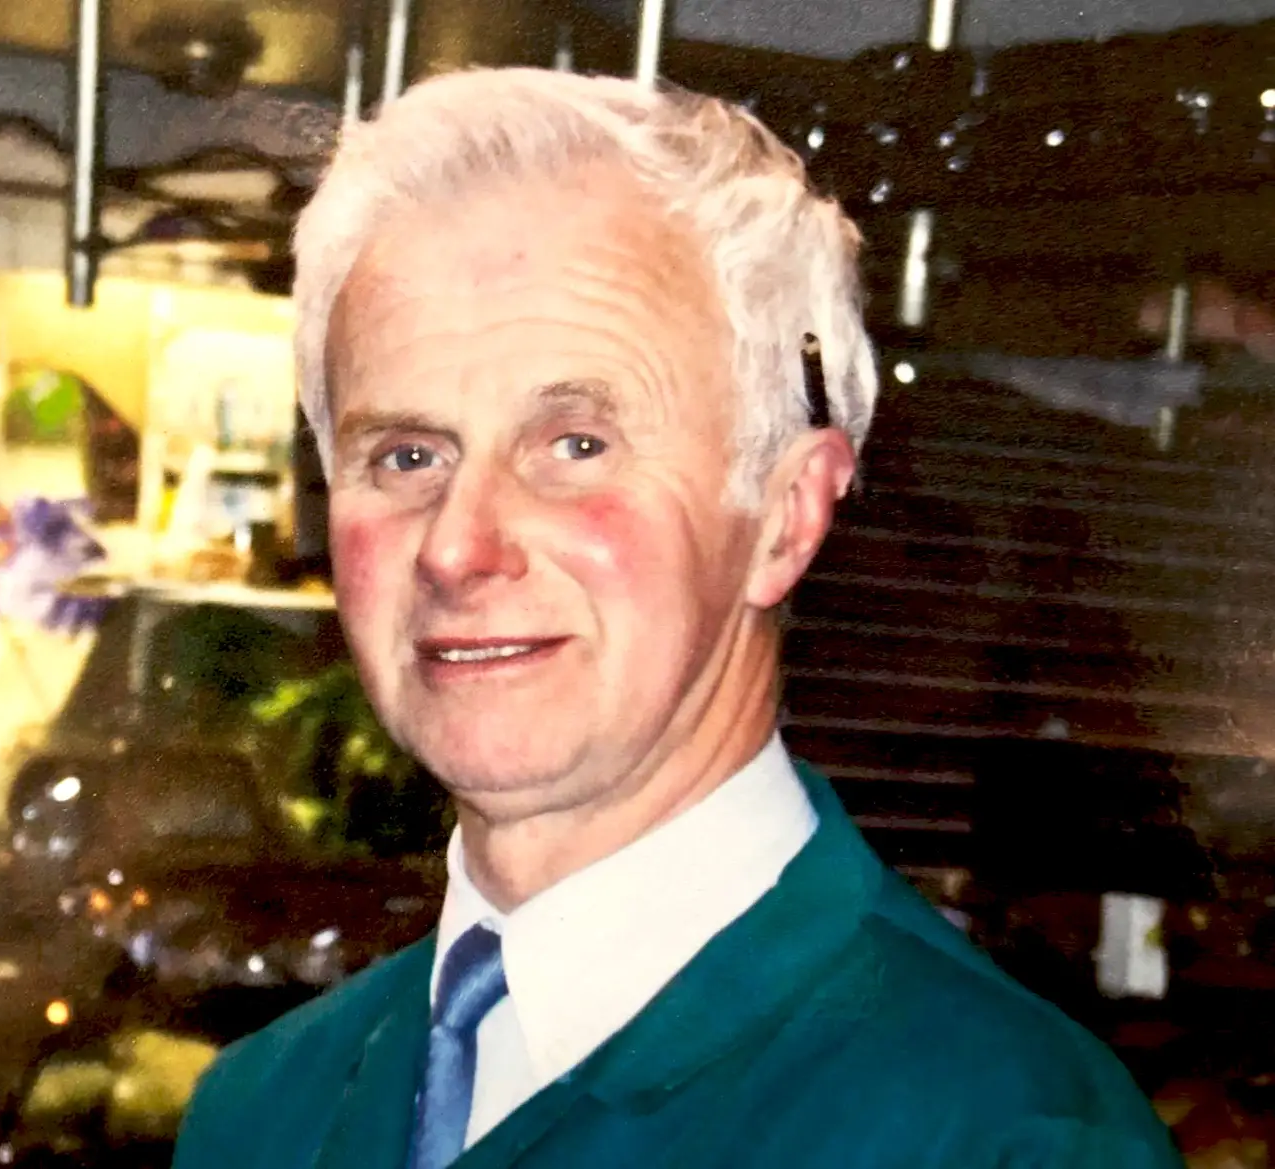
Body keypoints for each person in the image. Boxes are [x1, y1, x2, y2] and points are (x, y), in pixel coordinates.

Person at [174, 67, 1183, 1169]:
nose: (457, 547)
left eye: (574, 446)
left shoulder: (997, 1132)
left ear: (784, 518)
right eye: (405, 455)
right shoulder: (263, 1106)